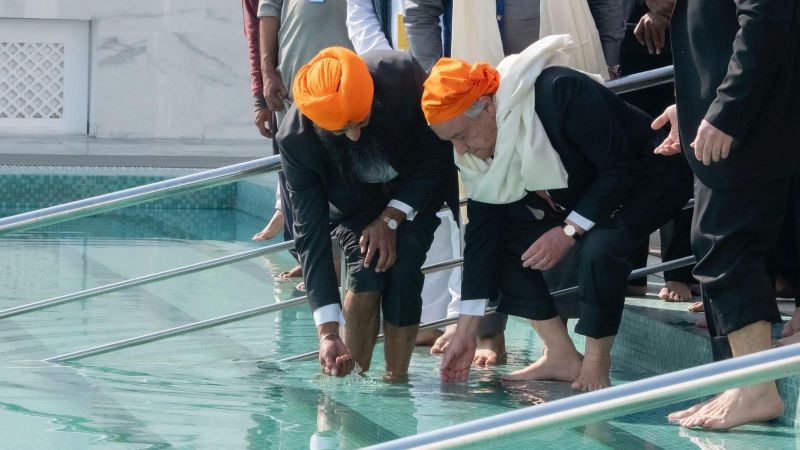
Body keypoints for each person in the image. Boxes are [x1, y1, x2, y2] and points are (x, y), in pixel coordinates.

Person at [423, 36, 691, 390]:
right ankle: (561, 354)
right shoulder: (477, 146)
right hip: (589, 192)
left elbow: (619, 168)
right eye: (450, 142)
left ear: (486, 106)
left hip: (652, 177)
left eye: (461, 135)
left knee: (600, 246)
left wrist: (568, 231)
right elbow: (482, 235)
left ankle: (597, 363)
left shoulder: (559, 91)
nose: (460, 149)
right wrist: (467, 330)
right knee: (504, 243)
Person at [653, 0, 800, 430]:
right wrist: (690, 107)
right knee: (716, 242)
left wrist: (726, 112)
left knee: (727, 245)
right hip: (727, 119)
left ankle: (756, 389)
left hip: (748, 123)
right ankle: (743, 382)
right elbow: (709, 31)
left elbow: (765, 23)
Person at [277, 47, 458, 380]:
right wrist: (328, 332)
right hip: (353, 205)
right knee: (366, 267)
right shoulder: (296, 141)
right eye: (341, 130)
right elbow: (311, 235)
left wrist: (392, 217)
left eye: (361, 121)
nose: (355, 135)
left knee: (403, 268)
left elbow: (437, 153)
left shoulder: (401, 75)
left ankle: (396, 380)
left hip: (412, 191)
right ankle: (351, 378)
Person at [346, 0, 464, 346]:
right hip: (389, 89)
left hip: (449, 81)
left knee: (459, 210)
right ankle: (431, 319)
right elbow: (360, 14)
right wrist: (390, 71)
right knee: (430, 218)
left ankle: (461, 317)